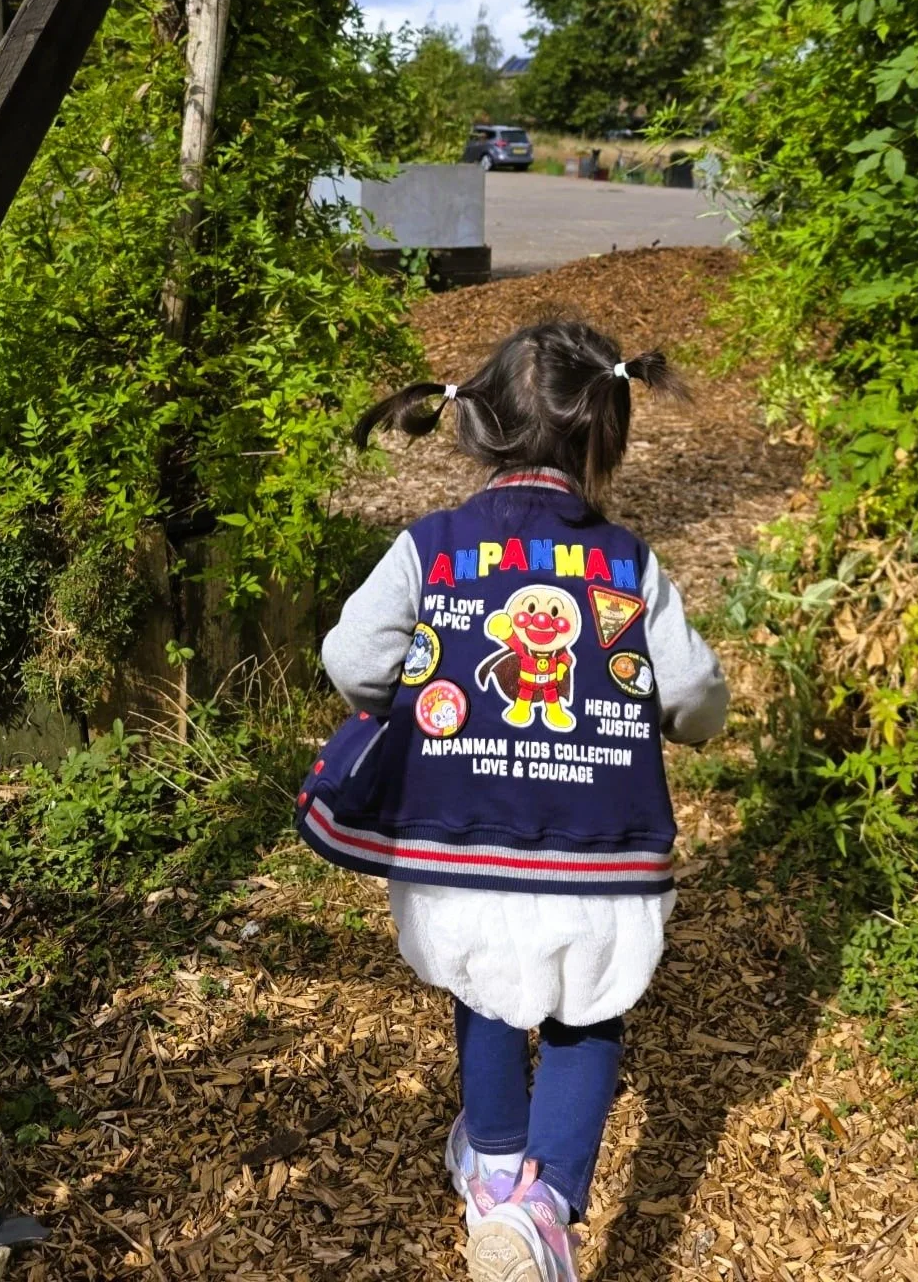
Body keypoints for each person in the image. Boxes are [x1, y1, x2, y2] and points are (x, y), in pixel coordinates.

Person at [312, 321, 729, 1282]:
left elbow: (351, 659)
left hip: (459, 840)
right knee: (587, 1013)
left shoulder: (431, 547)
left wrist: (409, 700)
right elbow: (696, 696)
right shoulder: (628, 564)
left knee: (482, 980)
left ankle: (496, 1166)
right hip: (601, 842)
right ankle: (547, 1201)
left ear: (479, 429)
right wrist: (685, 727)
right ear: (603, 438)